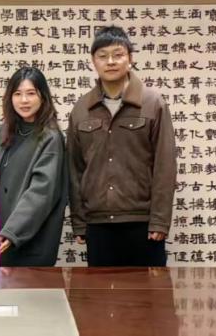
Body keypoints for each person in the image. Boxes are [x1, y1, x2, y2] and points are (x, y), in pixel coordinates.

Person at [67, 25, 177, 267]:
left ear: (130, 59)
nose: (110, 62)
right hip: (98, 225)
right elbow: (74, 170)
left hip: (143, 224)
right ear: (93, 62)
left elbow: (165, 165)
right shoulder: (81, 109)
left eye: (118, 54)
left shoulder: (153, 103)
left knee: (148, 291)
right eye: (103, 56)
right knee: (101, 291)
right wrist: (79, 221)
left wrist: (159, 220)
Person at [0, 66, 68, 267]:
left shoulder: (50, 137)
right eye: (17, 94)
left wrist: (12, 231)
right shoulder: (0, 132)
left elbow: (41, 192)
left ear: (42, 97)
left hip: (28, 239)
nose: (24, 100)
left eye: (31, 93)